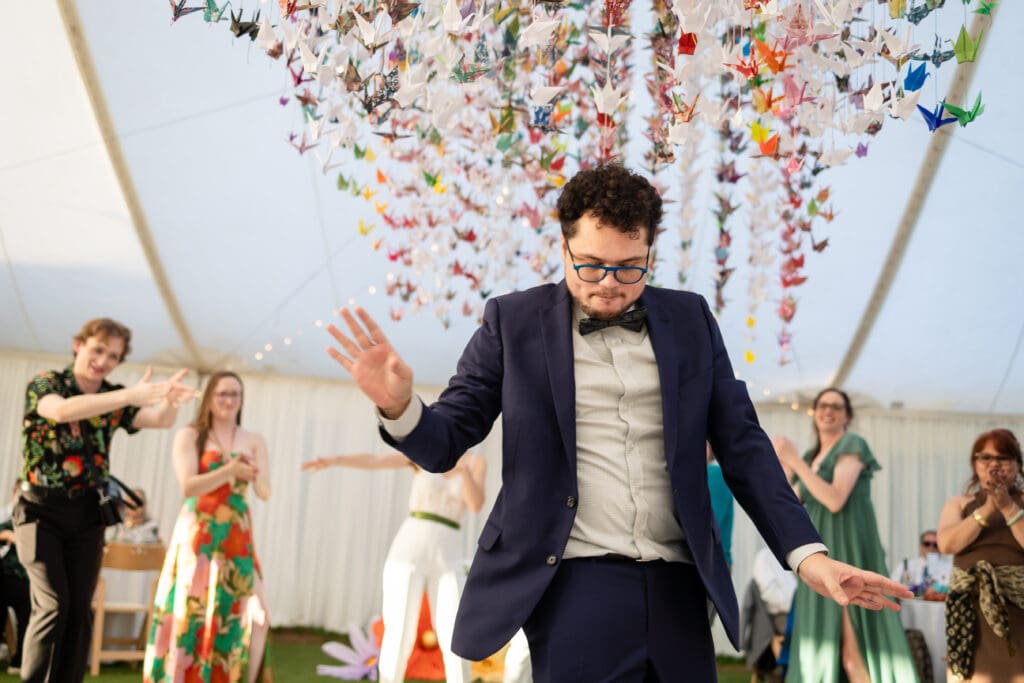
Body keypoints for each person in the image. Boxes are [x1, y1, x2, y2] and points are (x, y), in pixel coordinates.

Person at [325, 163, 911, 682]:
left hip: (683, 585)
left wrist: (808, 555)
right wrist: (399, 407)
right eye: (593, 266)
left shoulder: (691, 318)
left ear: (651, 254)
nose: (610, 284)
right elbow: (446, 439)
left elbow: (743, 445)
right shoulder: (514, 321)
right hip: (574, 579)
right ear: (562, 246)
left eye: (630, 268)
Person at [13, 317, 192, 683]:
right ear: (78, 344)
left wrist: (170, 401)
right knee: (54, 605)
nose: (103, 361)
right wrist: (129, 395)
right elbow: (61, 411)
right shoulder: (46, 383)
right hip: (39, 513)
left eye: (113, 356)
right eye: (98, 350)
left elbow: (158, 420)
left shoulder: (113, 393)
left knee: (80, 610)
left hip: (87, 515)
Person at [773, 387, 919, 683]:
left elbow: (835, 499)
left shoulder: (852, 443)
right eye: (824, 405)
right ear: (814, 413)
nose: (829, 411)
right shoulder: (812, 456)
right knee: (823, 644)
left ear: (847, 415)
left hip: (849, 548)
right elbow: (792, 502)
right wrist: (784, 469)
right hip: (819, 553)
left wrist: (796, 461)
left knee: (854, 648)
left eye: (837, 407)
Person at [303, 450, 486, 683]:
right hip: (409, 546)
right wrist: (334, 459)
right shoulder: (425, 449)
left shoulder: (475, 461)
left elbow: (475, 504)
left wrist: (462, 471)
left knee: (454, 631)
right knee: (399, 630)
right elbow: (375, 459)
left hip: (449, 551)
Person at [143, 371, 271, 683]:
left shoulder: (254, 439)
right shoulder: (190, 435)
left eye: (235, 394)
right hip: (198, 535)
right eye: (222, 394)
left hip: (238, 537)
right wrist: (230, 469)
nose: (229, 400)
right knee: (192, 614)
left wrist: (253, 475)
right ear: (209, 399)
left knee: (258, 615)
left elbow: (265, 492)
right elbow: (189, 487)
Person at [936, 428, 1024, 683]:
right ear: (975, 464)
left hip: (1017, 610)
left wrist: (1007, 506)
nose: (994, 464)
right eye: (986, 458)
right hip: (970, 612)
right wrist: (987, 508)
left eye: (1003, 458)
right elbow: (947, 543)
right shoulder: (959, 503)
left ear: (1017, 465)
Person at [0, 481, 30, 673]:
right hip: (6, 575)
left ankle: (20, 659)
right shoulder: (7, 516)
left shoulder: (36, 519)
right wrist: (7, 535)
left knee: (27, 604)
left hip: (25, 578)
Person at [889, 529, 940, 594]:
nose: (931, 547)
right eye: (927, 544)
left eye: (935, 545)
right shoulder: (906, 565)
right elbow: (892, 586)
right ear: (920, 546)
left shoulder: (949, 568)